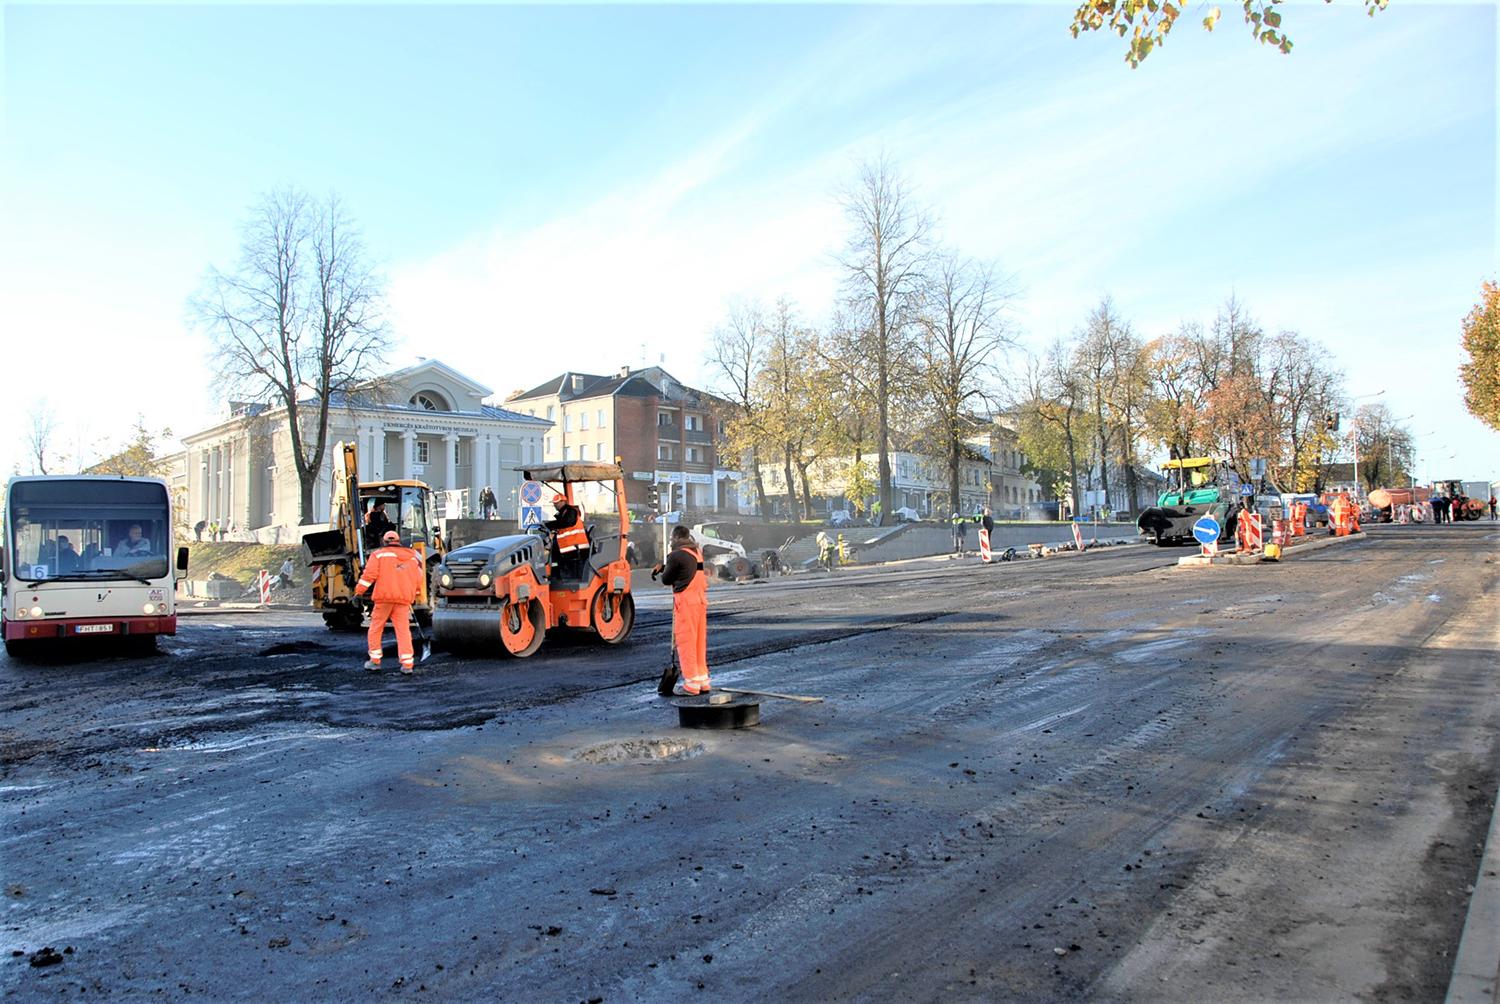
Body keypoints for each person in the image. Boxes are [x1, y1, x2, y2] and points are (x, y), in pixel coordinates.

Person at [354, 529, 423, 675]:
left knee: (376, 628)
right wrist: (414, 593)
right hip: (403, 600)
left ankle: (375, 661)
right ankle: (407, 664)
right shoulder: (412, 558)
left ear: (384, 542)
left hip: (383, 599)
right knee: (403, 631)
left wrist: (358, 591)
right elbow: (418, 578)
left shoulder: (378, 555)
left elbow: (369, 576)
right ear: (398, 541)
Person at [653, 525, 710, 696]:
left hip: (686, 604)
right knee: (699, 642)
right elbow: (688, 570)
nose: (670, 541)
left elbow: (667, 579)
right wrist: (666, 567)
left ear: (676, 538)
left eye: (671, 538)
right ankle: (702, 681)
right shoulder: (696, 553)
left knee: (686, 643)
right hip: (699, 602)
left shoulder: (676, 555)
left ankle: (692, 684)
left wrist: (663, 569)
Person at [543, 492, 589, 577]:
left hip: (575, 549)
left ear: (563, 502)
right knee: (559, 567)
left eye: (556, 503)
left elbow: (566, 522)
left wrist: (549, 524)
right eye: (554, 503)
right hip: (568, 549)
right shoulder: (562, 514)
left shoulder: (571, 511)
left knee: (572, 572)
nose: (555, 505)